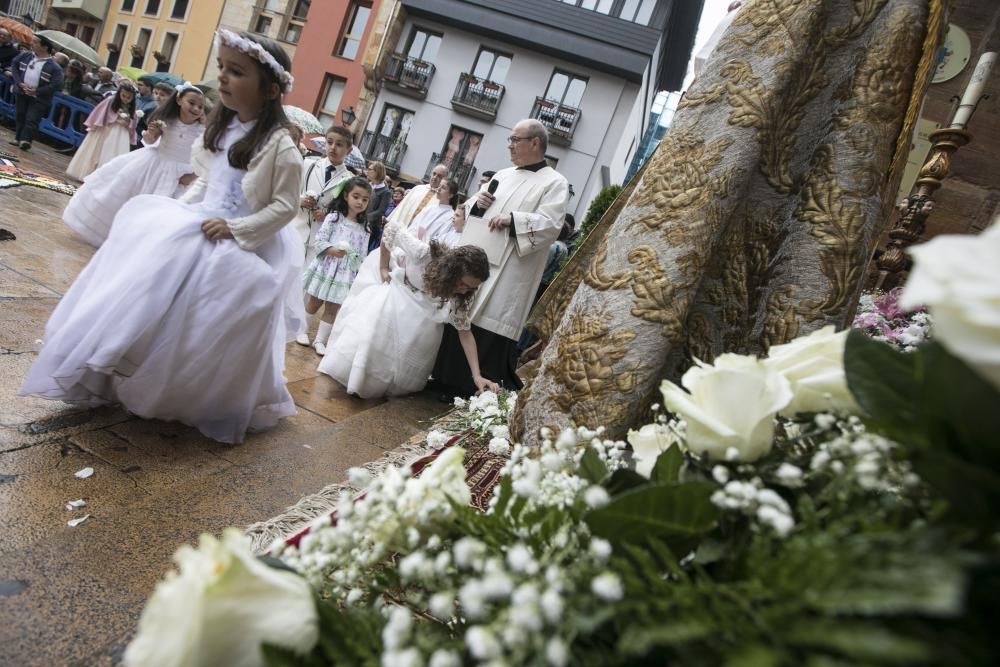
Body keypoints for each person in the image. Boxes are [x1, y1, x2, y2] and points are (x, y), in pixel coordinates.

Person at [19, 29, 304, 444]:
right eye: (221, 68)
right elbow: (210, 180)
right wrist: (183, 210)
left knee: (220, 306)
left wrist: (237, 229)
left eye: (237, 72)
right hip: (202, 220)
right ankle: (119, 369)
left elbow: (284, 207)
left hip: (240, 237)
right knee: (151, 285)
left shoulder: (281, 147)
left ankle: (191, 389)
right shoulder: (223, 127)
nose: (222, 78)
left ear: (271, 89)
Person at [430, 119, 568, 398]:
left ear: (534, 143)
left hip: (511, 269)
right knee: (462, 316)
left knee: (490, 323)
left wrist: (514, 220)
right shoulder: (502, 175)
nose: (510, 145)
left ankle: (473, 388)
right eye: (509, 140)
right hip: (479, 261)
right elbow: (470, 209)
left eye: (515, 140)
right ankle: (444, 378)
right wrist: (477, 205)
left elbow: (551, 225)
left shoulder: (555, 183)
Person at [318, 218, 496, 398]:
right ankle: (360, 376)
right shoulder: (424, 253)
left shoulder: (461, 293)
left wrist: (477, 375)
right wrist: (382, 267)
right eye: (463, 283)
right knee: (378, 325)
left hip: (425, 312)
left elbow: (464, 332)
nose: (464, 289)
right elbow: (391, 228)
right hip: (400, 290)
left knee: (414, 343)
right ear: (453, 270)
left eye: (471, 288)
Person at [63, 83, 205, 247]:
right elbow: (150, 141)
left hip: (180, 173)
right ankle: (115, 236)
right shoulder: (166, 120)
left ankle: (142, 245)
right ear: (179, 100)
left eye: (200, 107)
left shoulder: (202, 130)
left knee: (161, 213)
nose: (196, 109)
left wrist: (193, 175)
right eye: (192, 103)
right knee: (126, 194)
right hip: (154, 164)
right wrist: (151, 133)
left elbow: (205, 157)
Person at [292, 125, 353, 346]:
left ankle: (299, 326)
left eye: (339, 144)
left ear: (349, 148)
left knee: (307, 283)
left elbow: (348, 213)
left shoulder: (348, 179)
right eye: (329, 142)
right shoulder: (309, 165)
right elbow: (289, 191)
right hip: (296, 229)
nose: (333, 148)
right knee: (288, 273)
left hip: (321, 238)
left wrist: (328, 213)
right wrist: (300, 200)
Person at [301, 176, 372, 354]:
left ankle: (320, 340)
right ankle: (302, 331)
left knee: (333, 307)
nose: (360, 202)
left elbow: (362, 254)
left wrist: (354, 259)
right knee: (314, 301)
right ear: (346, 196)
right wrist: (331, 250)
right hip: (327, 266)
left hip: (344, 273)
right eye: (356, 197)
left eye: (365, 199)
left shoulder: (365, 228)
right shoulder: (334, 218)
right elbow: (319, 240)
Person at [66, 82, 138, 181]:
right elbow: (101, 115)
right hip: (106, 130)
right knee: (98, 151)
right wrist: (116, 120)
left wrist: (127, 123)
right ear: (119, 93)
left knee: (114, 153)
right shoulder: (110, 101)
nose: (125, 99)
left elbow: (133, 122)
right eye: (123, 96)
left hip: (121, 133)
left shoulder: (132, 108)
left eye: (128, 97)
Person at [8, 35, 64, 151]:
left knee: (32, 119)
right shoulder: (26, 55)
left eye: (35, 42)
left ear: (44, 47)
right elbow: (14, 64)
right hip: (22, 92)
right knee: (20, 115)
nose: (32, 44)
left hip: (39, 98)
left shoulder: (54, 67)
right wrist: (19, 82)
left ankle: (26, 140)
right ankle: (18, 138)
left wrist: (37, 91)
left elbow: (57, 85)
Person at [386, 163, 449, 229]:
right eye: (434, 174)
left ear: (445, 179)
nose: (435, 177)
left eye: (439, 176)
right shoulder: (417, 189)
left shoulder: (441, 199)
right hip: (401, 228)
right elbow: (401, 208)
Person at [407, 178, 459, 247]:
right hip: (411, 245)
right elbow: (414, 225)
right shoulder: (430, 208)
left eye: (443, 188)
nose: (439, 189)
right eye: (439, 186)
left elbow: (441, 239)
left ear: (450, 195)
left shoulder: (451, 216)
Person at [365, 161, 391, 253]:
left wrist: (365, 218)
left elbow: (381, 211)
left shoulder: (385, 192)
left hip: (371, 226)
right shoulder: (367, 185)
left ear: (377, 172)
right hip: (359, 220)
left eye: (370, 169)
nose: (367, 171)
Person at [133, 76, 160, 142]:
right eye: (137, 84)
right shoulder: (134, 97)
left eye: (140, 85)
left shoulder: (155, 104)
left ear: (149, 87)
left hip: (139, 138)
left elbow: (150, 124)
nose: (138, 87)